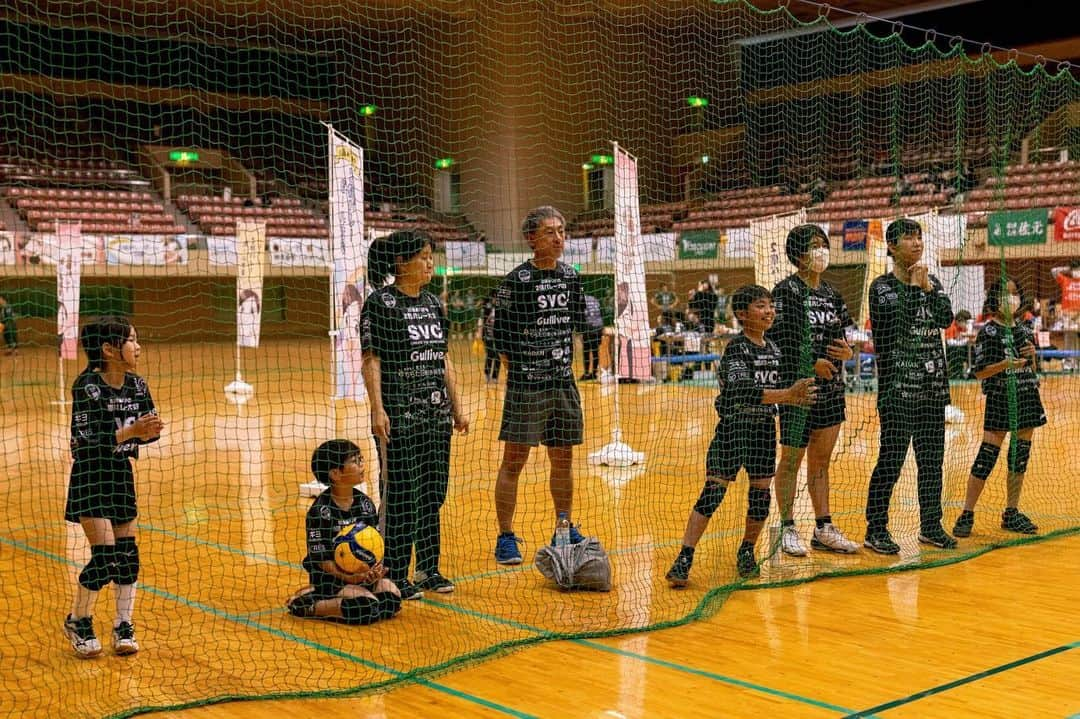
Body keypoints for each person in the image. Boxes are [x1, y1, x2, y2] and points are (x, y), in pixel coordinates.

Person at [666, 285, 817, 585]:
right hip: (734, 430)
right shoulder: (737, 348)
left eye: (771, 306)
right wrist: (788, 394)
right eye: (761, 306)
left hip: (763, 431)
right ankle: (685, 555)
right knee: (713, 493)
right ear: (742, 314)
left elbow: (786, 386)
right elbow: (742, 389)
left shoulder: (774, 348)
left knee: (760, 498)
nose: (770, 311)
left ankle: (747, 550)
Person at [360, 230, 469, 599]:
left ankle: (428, 569)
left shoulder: (433, 304)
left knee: (433, 494)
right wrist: (377, 409)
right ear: (400, 262)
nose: (429, 263)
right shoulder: (380, 303)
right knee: (401, 494)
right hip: (398, 418)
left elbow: (443, 357)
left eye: (430, 256)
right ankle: (393, 572)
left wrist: (457, 405)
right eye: (422, 256)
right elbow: (371, 359)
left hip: (435, 419)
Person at [63, 317, 164, 658]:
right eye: (131, 340)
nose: (138, 346)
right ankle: (79, 619)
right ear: (108, 349)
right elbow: (87, 444)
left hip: (121, 473)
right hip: (91, 475)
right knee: (104, 557)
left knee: (128, 556)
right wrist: (133, 432)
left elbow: (146, 428)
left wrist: (149, 432)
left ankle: (123, 623)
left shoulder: (137, 385)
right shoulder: (86, 387)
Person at [491, 206, 588, 564]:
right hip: (527, 387)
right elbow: (501, 339)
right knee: (513, 462)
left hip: (563, 384)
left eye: (562, 231)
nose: (558, 237)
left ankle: (564, 527)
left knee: (563, 460)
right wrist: (523, 374)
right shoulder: (517, 281)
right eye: (550, 232)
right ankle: (506, 536)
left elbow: (576, 324)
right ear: (531, 239)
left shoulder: (571, 277)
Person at [864, 218, 957, 554]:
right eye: (908, 238)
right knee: (891, 461)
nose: (917, 243)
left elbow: (946, 319)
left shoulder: (931, 280)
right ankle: (876, 529)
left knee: (932, 462)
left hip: (932, 388)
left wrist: (928, 288)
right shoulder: (881, 287)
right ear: (891, 246)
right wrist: (916, 288)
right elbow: (892, 328)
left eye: (919, 237)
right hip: (897, 392)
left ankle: (931, 526)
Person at [767, 225, 859, 557]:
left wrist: (847, 352)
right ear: (797, 254)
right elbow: (777, 344)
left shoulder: (832, 295)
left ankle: (824, 528)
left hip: (831, 391)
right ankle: (788, 526)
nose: (820, 251)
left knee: (821, 462)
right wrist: (811, 365)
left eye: (823, 244)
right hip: (799, 391)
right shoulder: (785, 292)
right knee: (791, 459)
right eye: (813, 246)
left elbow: (840, 337)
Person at [953, 277, 1045, 538]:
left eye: (1015, 293)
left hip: (1027, 396)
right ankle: (967, 512)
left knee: (1020, 457)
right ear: (995, 298)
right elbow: (980, 373)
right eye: (1006, 294)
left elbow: (1032, 367)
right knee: (987, 456)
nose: (1011, 298)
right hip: (1000, 399)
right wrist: (1006, 365)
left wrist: (1033, 358)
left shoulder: (1026, 326)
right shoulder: (988, 331)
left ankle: (1012, 512)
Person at [285, 439, 402, 625]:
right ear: (335, 473)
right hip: (332, 579)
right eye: (355, 461)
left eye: (361, 459)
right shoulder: (320, 512)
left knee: (391, 600)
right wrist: (349, 577)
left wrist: (376, 570)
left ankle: (330, 596)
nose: (362, 465)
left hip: (362, 574)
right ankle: (309, 605)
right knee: (365, 608)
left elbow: (376, 543)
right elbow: (322, 560)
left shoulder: (365, 504)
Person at [580, 293, 604, 380]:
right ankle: (594, 373)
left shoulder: (581, 300)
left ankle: (586, 374)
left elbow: (581, 316)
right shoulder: (595, 298)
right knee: (595, 351)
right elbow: (601, 313)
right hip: (598, 327)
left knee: (586, 351)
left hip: (589, 327)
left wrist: (580, 331)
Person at [480, 288, 500, 383]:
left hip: (498, 336)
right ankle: (487, 374)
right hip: (488, 335)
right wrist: (480, 333)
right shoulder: (487, 307)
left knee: (498, 356)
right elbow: (482, 320)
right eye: (495, 297)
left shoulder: (500, 307)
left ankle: (495, 377)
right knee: (490, 354)